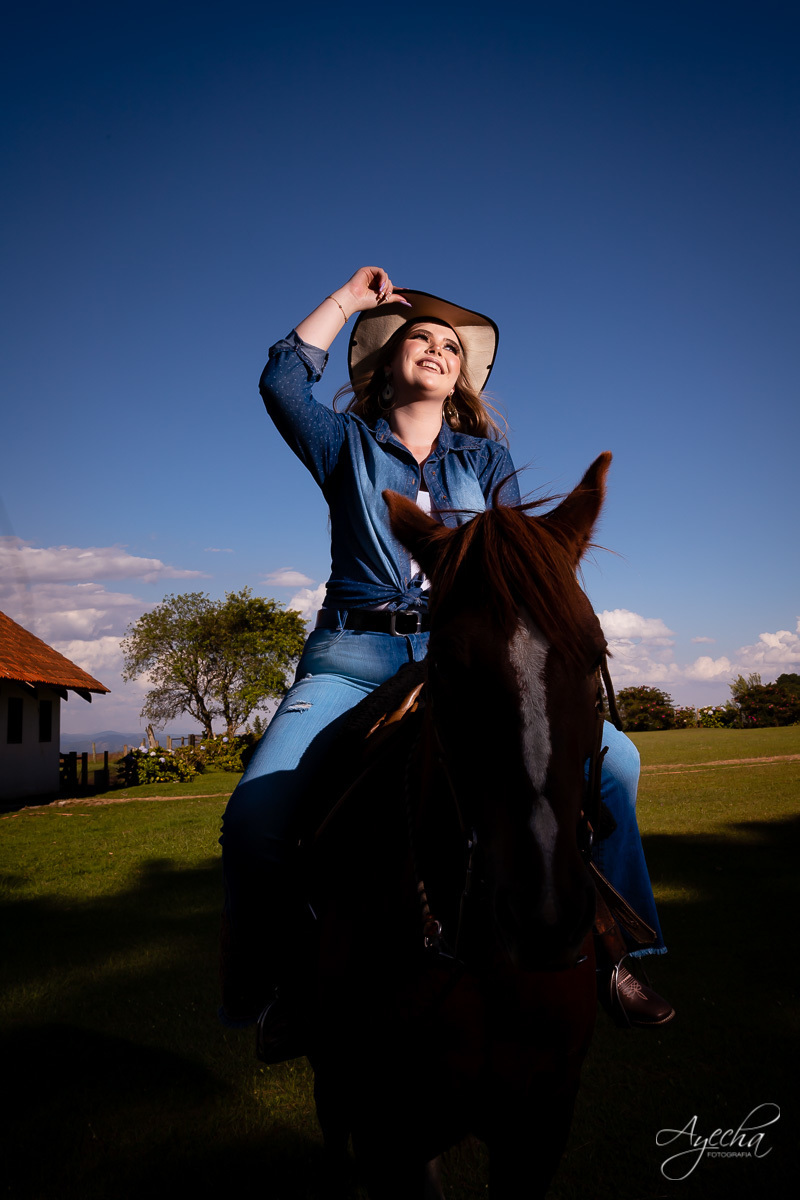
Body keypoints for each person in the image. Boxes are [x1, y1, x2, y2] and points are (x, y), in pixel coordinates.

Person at [219, 266, 673, 1055]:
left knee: (620, 768)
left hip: (458, 657)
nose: (436, 349)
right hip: (353, 656)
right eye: (419, 339)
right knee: (255, 818)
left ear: (461, 378)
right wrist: (349, 302)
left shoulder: (485, 461)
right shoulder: (343, 444)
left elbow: (514, 567)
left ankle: (615, 953)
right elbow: (280, 379)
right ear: (387, 362)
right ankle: (286, 984)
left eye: (450, 347)